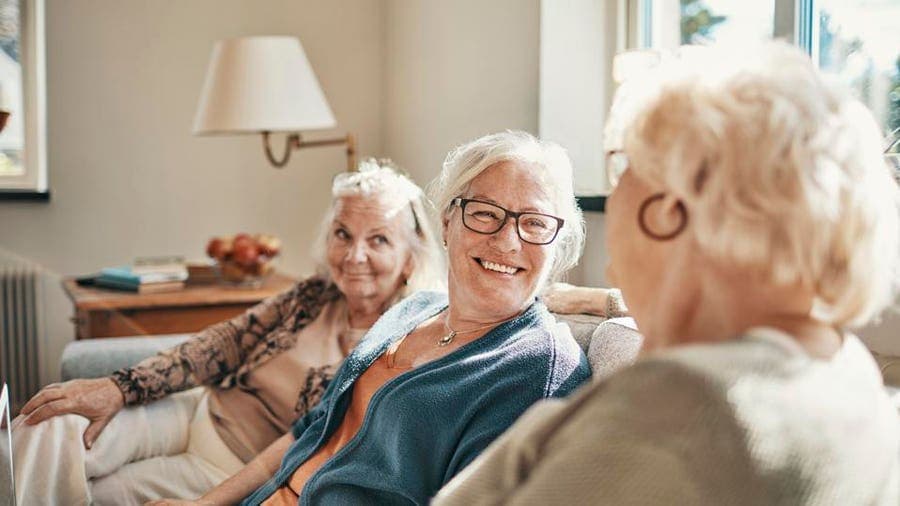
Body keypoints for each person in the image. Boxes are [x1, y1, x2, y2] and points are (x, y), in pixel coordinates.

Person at [434, 42, 900, 505]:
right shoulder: (846, 371)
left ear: (674, 207)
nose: (615, 198)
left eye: (627, 165)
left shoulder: (681, 408)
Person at [151, 130, 593, 505]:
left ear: (558, 242)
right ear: (446, 223)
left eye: (534, 223)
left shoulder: (537, 371)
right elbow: (311, 430)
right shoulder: (411, 311)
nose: (507, 241)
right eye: (484, 214)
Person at [12, 159, 445, 505]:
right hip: (193, 410)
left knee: (96, 496)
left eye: (379, 240)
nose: (354, 255)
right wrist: (120, 387)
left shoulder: (403, 343)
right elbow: (227, 341)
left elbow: (322, 447)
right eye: (343, 234)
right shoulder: (314, 295)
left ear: (411, 258)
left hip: (230, 467)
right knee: (51, 424)